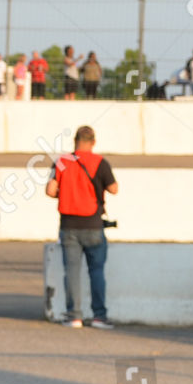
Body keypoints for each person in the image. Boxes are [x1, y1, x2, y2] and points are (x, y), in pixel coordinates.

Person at [46, 124, 118, 330]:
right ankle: (99, 316)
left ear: (75, 141)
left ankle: (74, 316)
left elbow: (51, 190)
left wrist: (67, 192)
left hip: (69, 225)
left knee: (72, 272)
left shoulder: (62, 162)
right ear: (93, 142)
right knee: (96, 271)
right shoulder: (100, 163)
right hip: (94, 224)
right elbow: (114, 189)